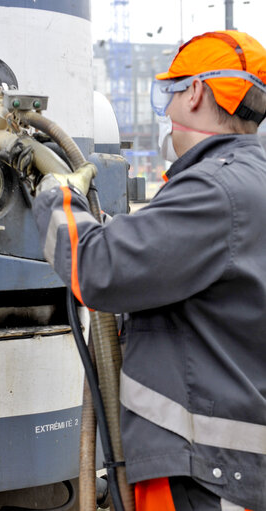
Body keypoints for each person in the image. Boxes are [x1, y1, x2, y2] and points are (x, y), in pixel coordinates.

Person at [30, 31, 266, 510]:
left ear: (196, 91)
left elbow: (99, 268)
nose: (169, 111)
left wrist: (55, 194)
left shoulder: (215, 189)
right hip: (232, 464)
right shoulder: (249, 181)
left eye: (171, 93)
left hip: (204, 470)